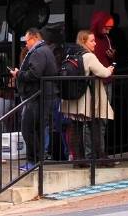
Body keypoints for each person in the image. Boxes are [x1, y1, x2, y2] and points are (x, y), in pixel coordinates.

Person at [61, 30, 116, 165]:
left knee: (76, 128)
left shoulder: (70, 54)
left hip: (71, 98)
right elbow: (103, 73)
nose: (95, 43)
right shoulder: (89, 56)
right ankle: (101, 158)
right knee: (95, 127)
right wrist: (109, 69)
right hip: (86, 99)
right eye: (92, 41)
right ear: (83, 41)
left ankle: (79, 160)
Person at [15, 27, 58, 172]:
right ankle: (36, 160)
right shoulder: (44, 50)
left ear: (34, 38)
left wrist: (18, 74)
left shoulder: (38, 52)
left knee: (29, 129)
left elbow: (34, 74)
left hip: (37, 96)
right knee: (36, 129)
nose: (25, 44)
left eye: (27, 41)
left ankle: (33, 160)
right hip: (41, 95)